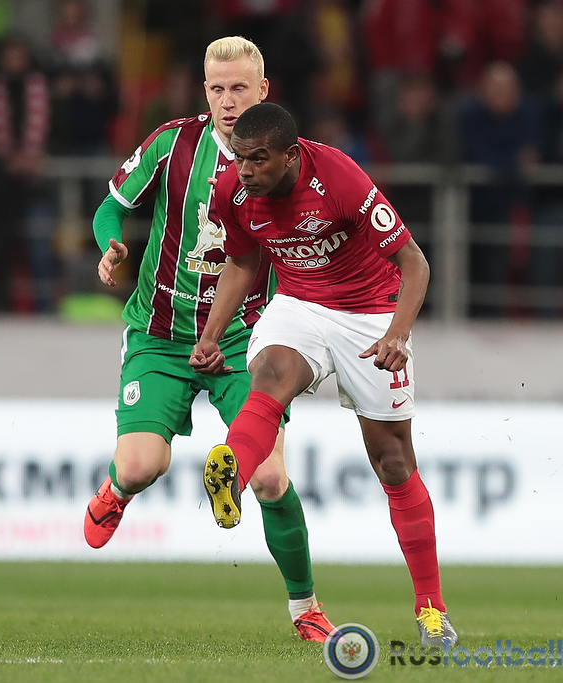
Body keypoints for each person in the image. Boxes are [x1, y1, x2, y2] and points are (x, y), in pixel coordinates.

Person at [84, 36, 334, 642]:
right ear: (204, 91)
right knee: (141, 466)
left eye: (239, 88)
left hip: (245, 339)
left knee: (270, 478)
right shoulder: (172, 144)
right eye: (217, 89)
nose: (227, 101)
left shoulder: (290, 161)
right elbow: (110, 206)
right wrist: (110, 243)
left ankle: (305, 608)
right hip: (161, 334)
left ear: (263, 90)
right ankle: (116, 488)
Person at [190, 101, 456, 646]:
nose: (246, 170)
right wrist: (211, 335)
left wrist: (397, 335)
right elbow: (242, 262)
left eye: (258, 159)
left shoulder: (339, 178)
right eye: (239, 158)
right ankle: (231, 473)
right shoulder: (231, 191)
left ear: (290, 155)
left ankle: (431, 609)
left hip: (370, 314)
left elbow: (415, 263)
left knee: (393, 462)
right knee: (271, 374)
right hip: (299, 304)